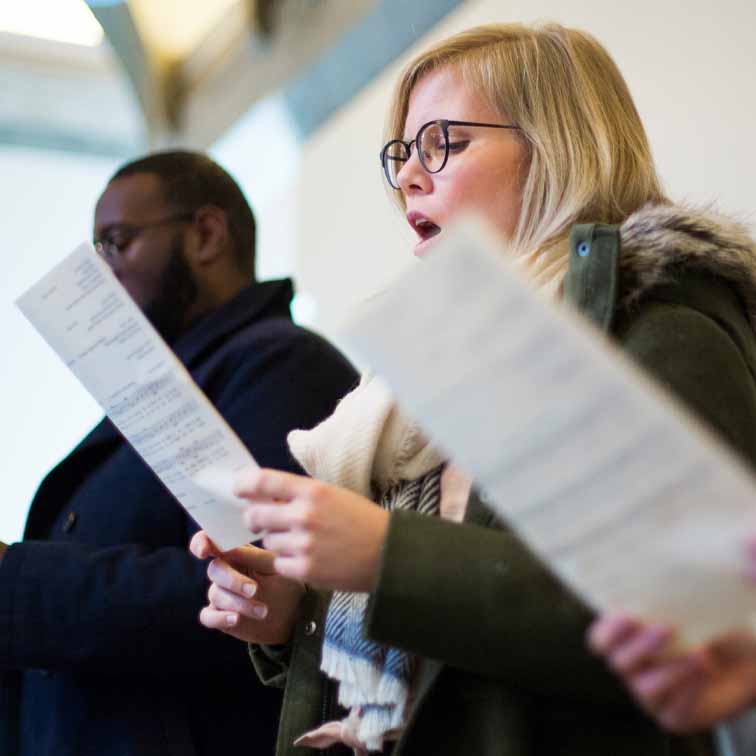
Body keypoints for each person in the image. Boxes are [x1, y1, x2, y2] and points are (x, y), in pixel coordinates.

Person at [192, 22, 756, 756]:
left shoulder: (659, 313)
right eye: (401, 155)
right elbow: (447, 635)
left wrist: (389, 555)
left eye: (442, 145)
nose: (408, 179)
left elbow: (702, 620)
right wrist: (297, 610)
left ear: (556, 144)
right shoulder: (412, 386)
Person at [0, 150, 358, 756]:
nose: (101, 273)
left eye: (117, 242)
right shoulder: (161, 387)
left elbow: (243, 583)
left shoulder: (280, 364)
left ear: (206, 235)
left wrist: (14, 578)